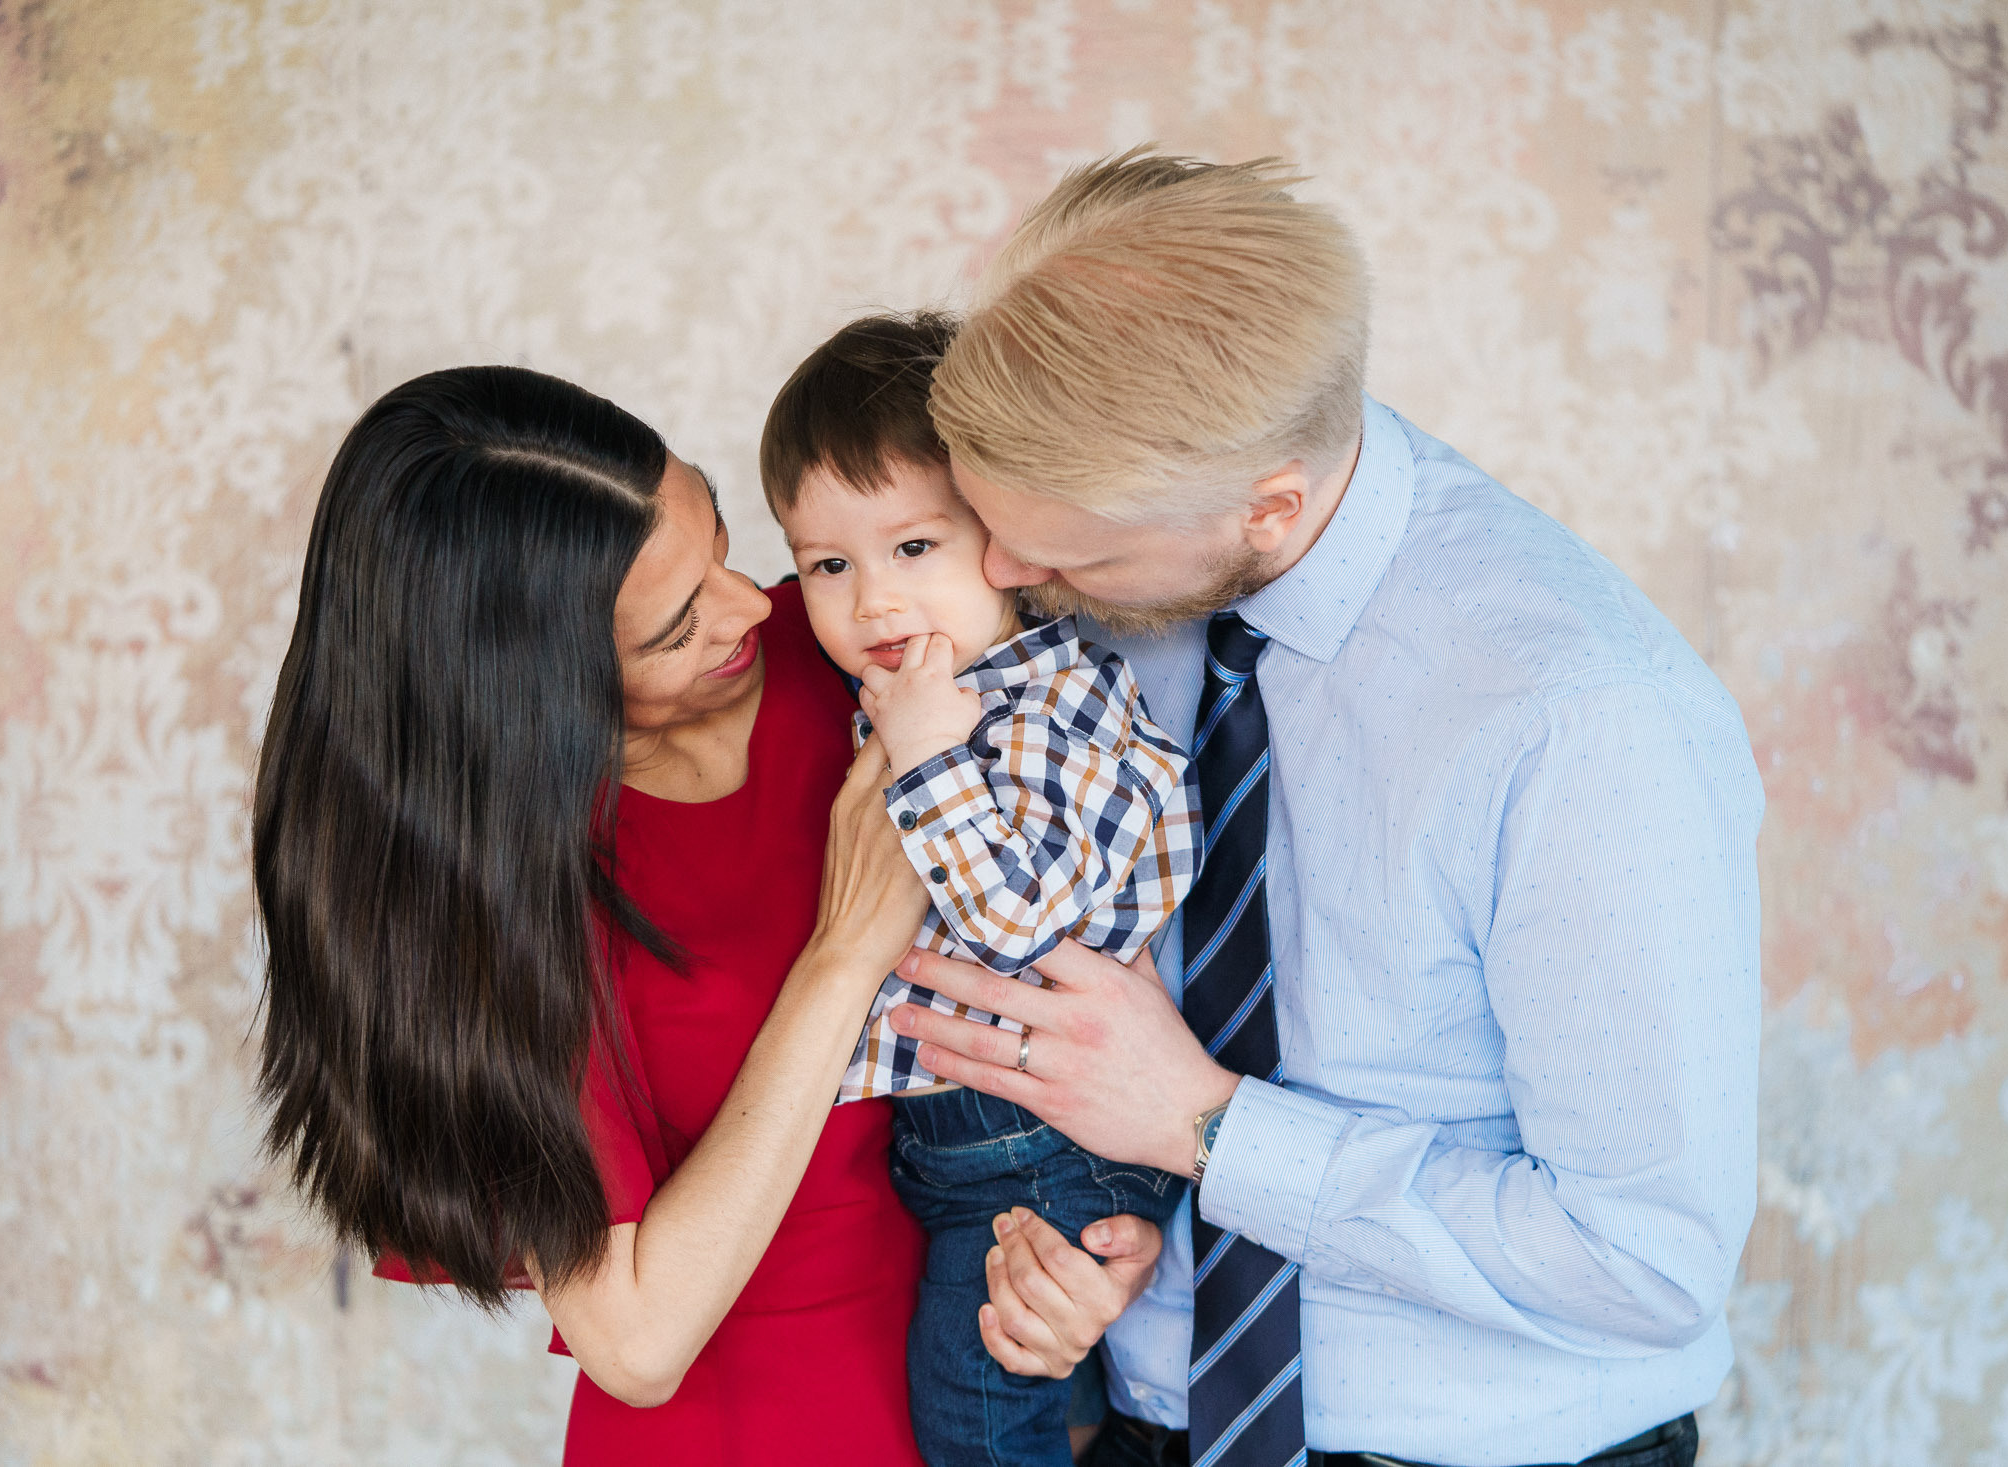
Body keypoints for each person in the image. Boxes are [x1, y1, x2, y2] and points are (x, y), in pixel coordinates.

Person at [888, 151, 1764, 1467]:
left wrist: (1208, 1125)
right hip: (1133, 1421)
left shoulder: (1582, 714)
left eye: (1067, 552)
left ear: (1271, 507)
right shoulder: (1137, 567)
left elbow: (1644, 1260)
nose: (1005, 577)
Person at [250, 365, 1165, 1466]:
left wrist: (1097, 1238)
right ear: (533, 691)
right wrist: (841, 957)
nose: (753, 607)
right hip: (751, 1427)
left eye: (724, 545)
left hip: (987, 1370)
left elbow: (1093, 925)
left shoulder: (863, 649)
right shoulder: (499, 906)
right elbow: (634, 1345)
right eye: (678, 625)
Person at [756, 312, 1197, 1467]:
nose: (873, 603)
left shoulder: (1042, 709)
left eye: (915, 549)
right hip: (979, 1139)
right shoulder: (928, 688)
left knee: (975, 1420)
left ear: (1003, 540)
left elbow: (1018, 925)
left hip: (1037, 1137)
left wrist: (929, 759)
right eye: (829, 565)